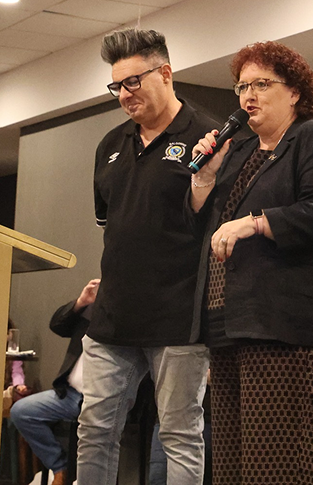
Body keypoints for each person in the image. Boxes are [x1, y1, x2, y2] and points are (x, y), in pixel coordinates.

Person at [188, 41, 313, 485]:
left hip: (291, 332)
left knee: (280, 472)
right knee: (231, 470)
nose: (249, 95)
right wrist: (205, 177)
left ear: (295, 92)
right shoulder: (241, 152)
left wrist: (257, 223)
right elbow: (211, 224)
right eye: (242, 86)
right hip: (232, 328)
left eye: (262, 84)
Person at [78, 28, 218, 485]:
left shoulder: (208, 137)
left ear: (166, 73)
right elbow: (111, 229)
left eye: (133, 82)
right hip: (113, 318)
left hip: (178, 316)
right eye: (116, 86)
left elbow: (214, 227)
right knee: (94, 430)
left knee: (179, 434)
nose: (123, 95)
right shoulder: (110, 145)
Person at [11, 279, 99, 485]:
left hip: (100, 399)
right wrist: (81, 302)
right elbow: (57, 325)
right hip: (68, 394)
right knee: (21, 411)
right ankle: (60, 467)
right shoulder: (92, 309)